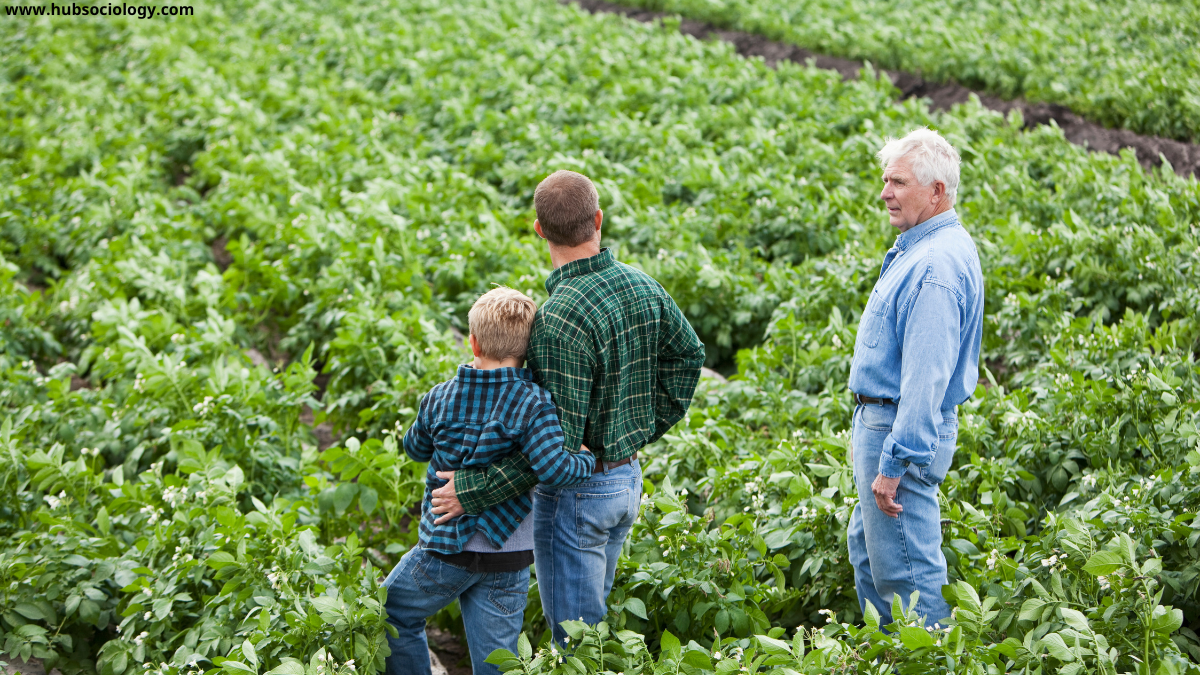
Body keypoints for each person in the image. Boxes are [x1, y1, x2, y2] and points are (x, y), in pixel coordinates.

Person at [427, 170, 706, 643]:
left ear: (539, 229)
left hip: (579, 496)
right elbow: (690, 356)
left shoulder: (557, 320)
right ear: (598, 219)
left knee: (576, 643)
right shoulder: (643, 285)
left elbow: (553, 453)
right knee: (591, 631)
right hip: (626, 481)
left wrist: (471, 491)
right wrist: (639, 428)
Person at [381, 287, 597, 675]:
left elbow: (414, 447)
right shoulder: (535, 401)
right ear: (527, 349)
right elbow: (554, 470)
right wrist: (586, 459)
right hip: (508, 554)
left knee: (391, 613)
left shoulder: (440, 397)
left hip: (448, 547)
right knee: (496, 659)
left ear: (473, 342)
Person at [846, 128, 984, 628]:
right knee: (872, 557)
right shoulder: (926, 247)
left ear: (936, 192)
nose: (885, 193)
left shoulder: (933, 267)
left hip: (897, 430)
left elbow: (926, 379)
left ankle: (930, 655)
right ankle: (887, 654)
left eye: (898, 183)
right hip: (884, 424)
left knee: (908, 577)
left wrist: (895, 462)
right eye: (886, 180)